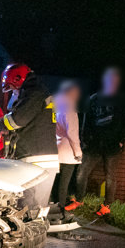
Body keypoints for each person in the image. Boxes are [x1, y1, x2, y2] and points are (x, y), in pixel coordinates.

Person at [0, 63, 57, 213]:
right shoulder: (39, 92)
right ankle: (37, 231)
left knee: (29, 207)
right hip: (42, 156)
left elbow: (17, 120)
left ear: (18, 80)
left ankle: (33, 234)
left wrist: (0, 124)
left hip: (35, 157)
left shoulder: (33, 94)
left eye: (12, 88)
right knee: (38, 206)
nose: (13, 93)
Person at [75, 67, 125, 216]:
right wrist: (85, 139)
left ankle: (107, 206)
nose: (112, 82)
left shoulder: (121, 101)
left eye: (115, 80)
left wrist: (121, 140)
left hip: (112, 145)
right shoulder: (94, 99)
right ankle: (78, 200)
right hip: (93, 144)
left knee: (111, 176)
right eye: (110, 79)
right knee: (82, 172)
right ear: (105, 81)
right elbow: (86, 121)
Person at [53, 80, 83, 217]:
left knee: (57, 181)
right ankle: (60, 210)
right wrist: (78, 152)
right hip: (68, 151)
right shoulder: (70, 108)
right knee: (64, 182)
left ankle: (54, 205)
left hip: (57, 148)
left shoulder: (56, 106)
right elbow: (72, 133)